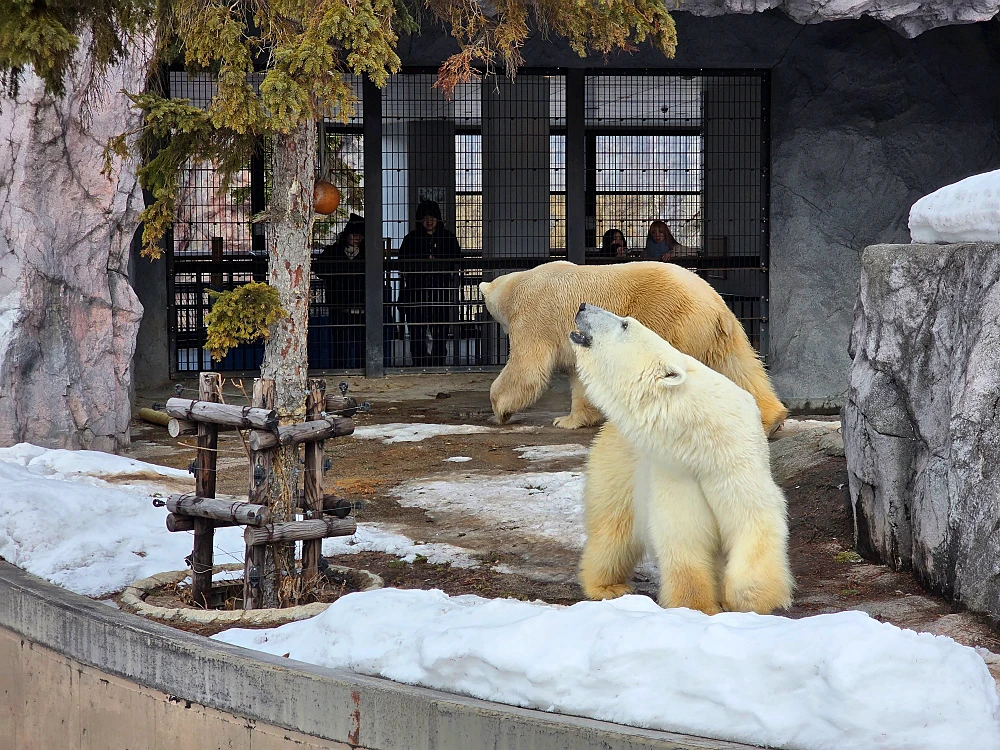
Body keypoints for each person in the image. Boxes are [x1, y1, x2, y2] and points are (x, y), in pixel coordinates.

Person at [398, 200, 462, 367]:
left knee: (440, 329)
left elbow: (457, 261)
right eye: (425, 217)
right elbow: (402, 262)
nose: (429, 221)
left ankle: (438, 361)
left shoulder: (448, 237)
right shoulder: (411, 238)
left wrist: (437, 262)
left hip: (439, 292)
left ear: (438, 219)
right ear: (420, 219)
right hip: (415, 292)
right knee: (416, 330)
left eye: (432, 217)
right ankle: (419, 362)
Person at [313, 213, 365, 368]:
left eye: (359, 236)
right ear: (347, 235)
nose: (356, 239)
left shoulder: (368, 252)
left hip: (362, 306)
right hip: (339, 306)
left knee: (360, 344)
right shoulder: (333, 251)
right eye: (353, 235)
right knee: (339, 343)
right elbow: (318, 268)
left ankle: (360, 370)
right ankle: (338, 371)